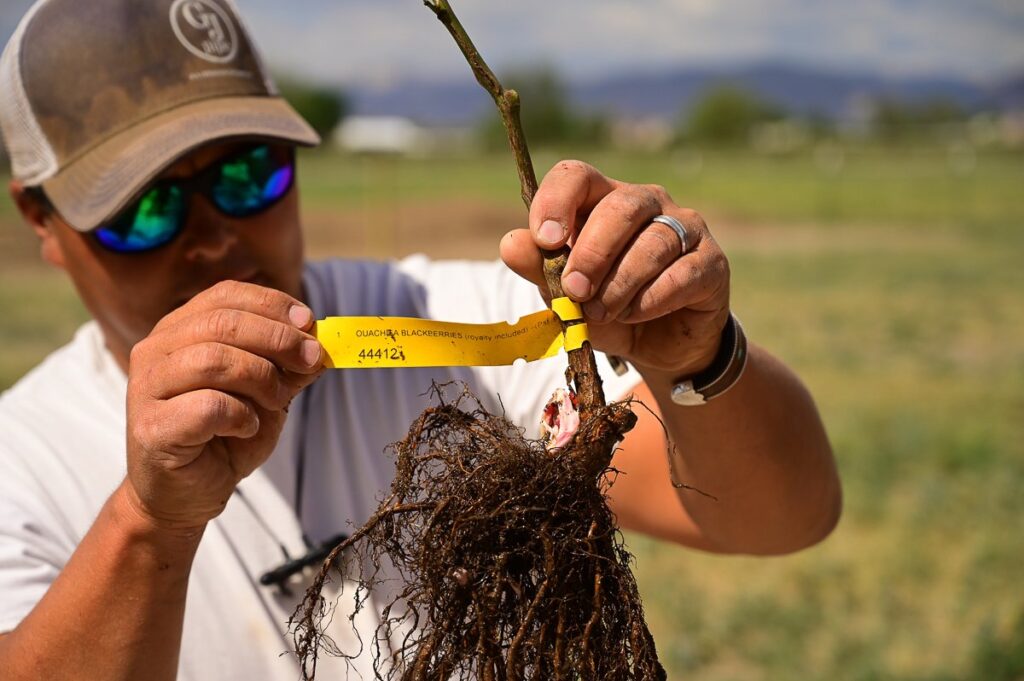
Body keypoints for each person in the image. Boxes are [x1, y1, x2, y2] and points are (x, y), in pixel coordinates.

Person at [0, 0, 840, 679]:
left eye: (247, 171)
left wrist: (700, 359)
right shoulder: (22, 462)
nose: (215, 234)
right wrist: (149, 521)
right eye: (144, 209)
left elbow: (781, 516)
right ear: (40, 216)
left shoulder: (455, 323)